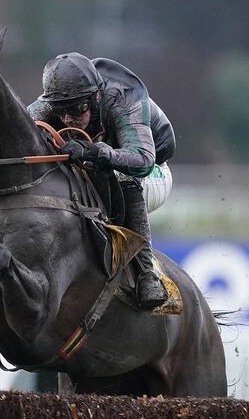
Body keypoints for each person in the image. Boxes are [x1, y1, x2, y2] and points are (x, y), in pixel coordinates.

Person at [28, 52, 175, 310]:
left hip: (152, 172)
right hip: (100, 167)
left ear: (95, 97)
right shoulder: (58, 98)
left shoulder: (122, 98)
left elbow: (142, 159)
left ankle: (146, 272)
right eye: (61, 112)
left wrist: (94, 151)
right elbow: (19, 126)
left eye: (76, 110)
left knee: (121, 174)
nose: (68, 119)